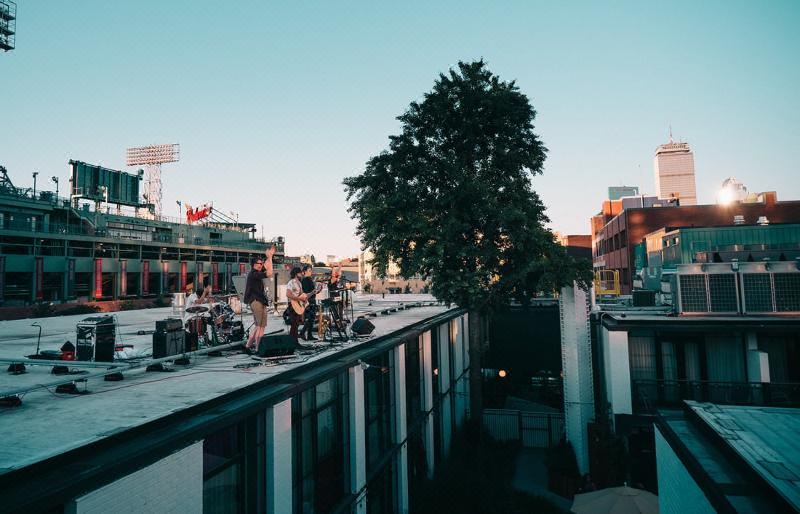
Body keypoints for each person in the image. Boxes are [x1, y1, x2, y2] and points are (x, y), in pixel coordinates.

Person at [243, 246, 275, 351]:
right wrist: (269, 257)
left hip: (257, 301)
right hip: (257, 301)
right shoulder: (254, 274)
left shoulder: (255, 273)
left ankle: (248, 346)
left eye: (261, 263)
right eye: (259, 264)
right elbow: (270, 273)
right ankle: (258, 348)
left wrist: (269, 257)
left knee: (257, 326)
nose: (261, 265)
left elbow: (267, 266)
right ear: (254, 265)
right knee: (261, 326)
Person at [285, 266, 307, 342]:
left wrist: (311, 293)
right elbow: (288, 294)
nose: (301, 274)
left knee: (297, 323)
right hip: (292, 305)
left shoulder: (300, 283)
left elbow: (301, 295)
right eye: (300, 272)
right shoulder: (291, 282)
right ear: (296, 273)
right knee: (294, 324)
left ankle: (294, 341)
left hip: (298, 305)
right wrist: (299, 299)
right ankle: (292, 342)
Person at [300, 264, 319, 341]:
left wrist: (317, 290)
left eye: (311, 270)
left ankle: (309, 335)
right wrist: (313, 291)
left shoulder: (309, 279)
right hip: (309, 301)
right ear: (304, 272)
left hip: (312, 299)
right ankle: (302, 332)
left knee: (312, 319)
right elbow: (306, 292)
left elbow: (312, 292)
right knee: (310, 318)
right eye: (309, 270)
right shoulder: (305, 280)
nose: (311, 272)